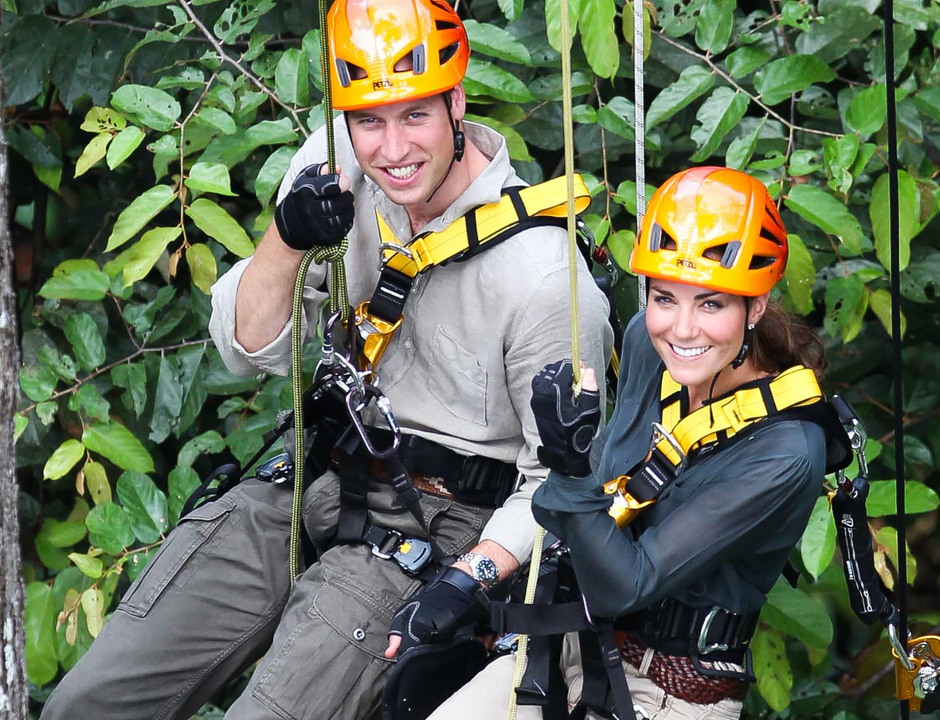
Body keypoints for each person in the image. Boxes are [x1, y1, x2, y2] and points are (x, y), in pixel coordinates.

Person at [39, 0, 611, 718]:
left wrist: (464, 584)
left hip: (437, 523)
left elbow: (560, 488)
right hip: (315, 475)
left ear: (456, 102)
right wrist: (286, 238)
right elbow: (247, 352)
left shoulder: (544, 277)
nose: (391, 148)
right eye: (367, 120)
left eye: (414, 116)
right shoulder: (335, 167)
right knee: (88, 705)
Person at [427, 166, 843, 720]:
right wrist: (467, 580)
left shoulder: (785, 451)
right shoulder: (650, 351)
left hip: (669, 692)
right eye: (664, 297)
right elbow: (593, 498)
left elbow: (628, 583)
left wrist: (569, 470)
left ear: (757, 305)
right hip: (572, 647)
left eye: (712, 304)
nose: (682, 329)